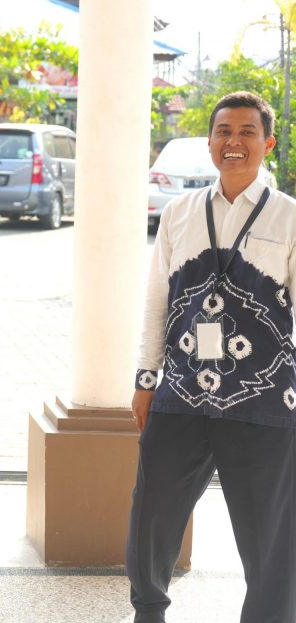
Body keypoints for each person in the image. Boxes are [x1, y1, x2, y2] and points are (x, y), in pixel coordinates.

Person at [127, 91, 296, 623]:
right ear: (209, 143)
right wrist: (146, 377)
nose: (234, 142)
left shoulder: (289, 217)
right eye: (224, 132)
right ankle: (148, 610)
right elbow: (158, 299)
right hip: (179, 393)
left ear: (267, 143)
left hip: (264, 403)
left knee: (268, 530)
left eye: (247, 132)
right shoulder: (180, 211)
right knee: (153, 513)